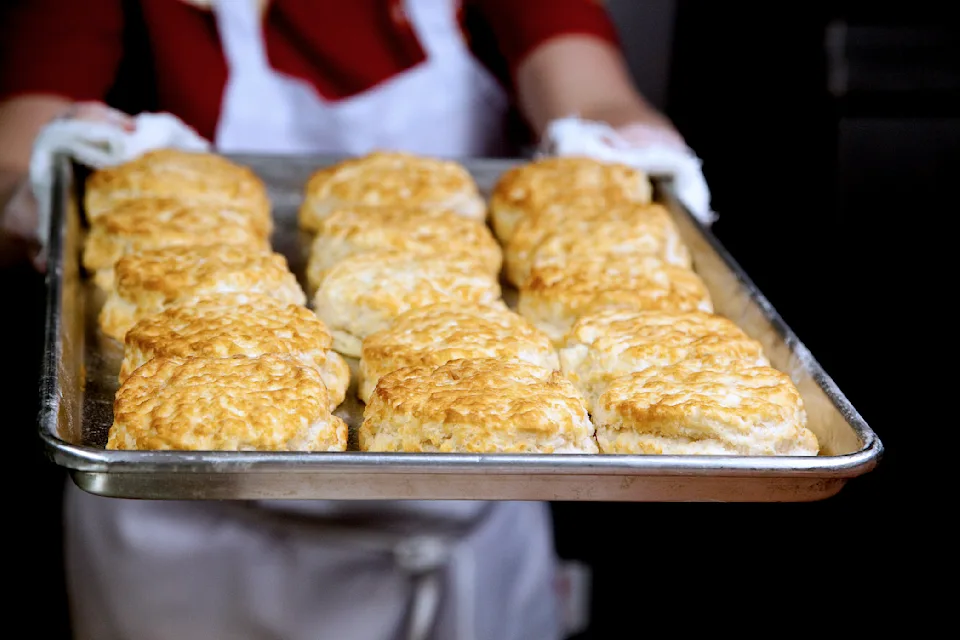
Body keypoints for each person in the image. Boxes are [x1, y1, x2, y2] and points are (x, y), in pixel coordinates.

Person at [0, 1, 687, 638]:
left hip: (476, 494)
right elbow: (18, 138)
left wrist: (623, 142)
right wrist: (45, 171)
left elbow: (591, 89)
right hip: (190, 535)